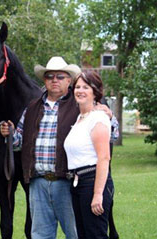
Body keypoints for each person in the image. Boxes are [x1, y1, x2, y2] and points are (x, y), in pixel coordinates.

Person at [0, 56, 118, 239]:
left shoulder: (79, 103)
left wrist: (109, 117)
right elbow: (18, 144)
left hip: (67, 182)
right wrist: (9, 134)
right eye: (50, 76)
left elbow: (112, 133)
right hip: (38, 183)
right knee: (40, 235)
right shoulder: (31, 108)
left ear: (69, 80)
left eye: (60, 76)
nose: (54, 80)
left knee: (75, 233)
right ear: (44, 80)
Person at [64, 71, 114, 238]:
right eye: (77, 87)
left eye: (86, 87)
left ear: (95, 92)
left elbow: (104, 158)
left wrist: (98, 193)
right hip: (77, 184)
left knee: (95, 235)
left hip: (92, 183)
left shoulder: (98, 118)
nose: (80, 90)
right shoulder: (80, 119)